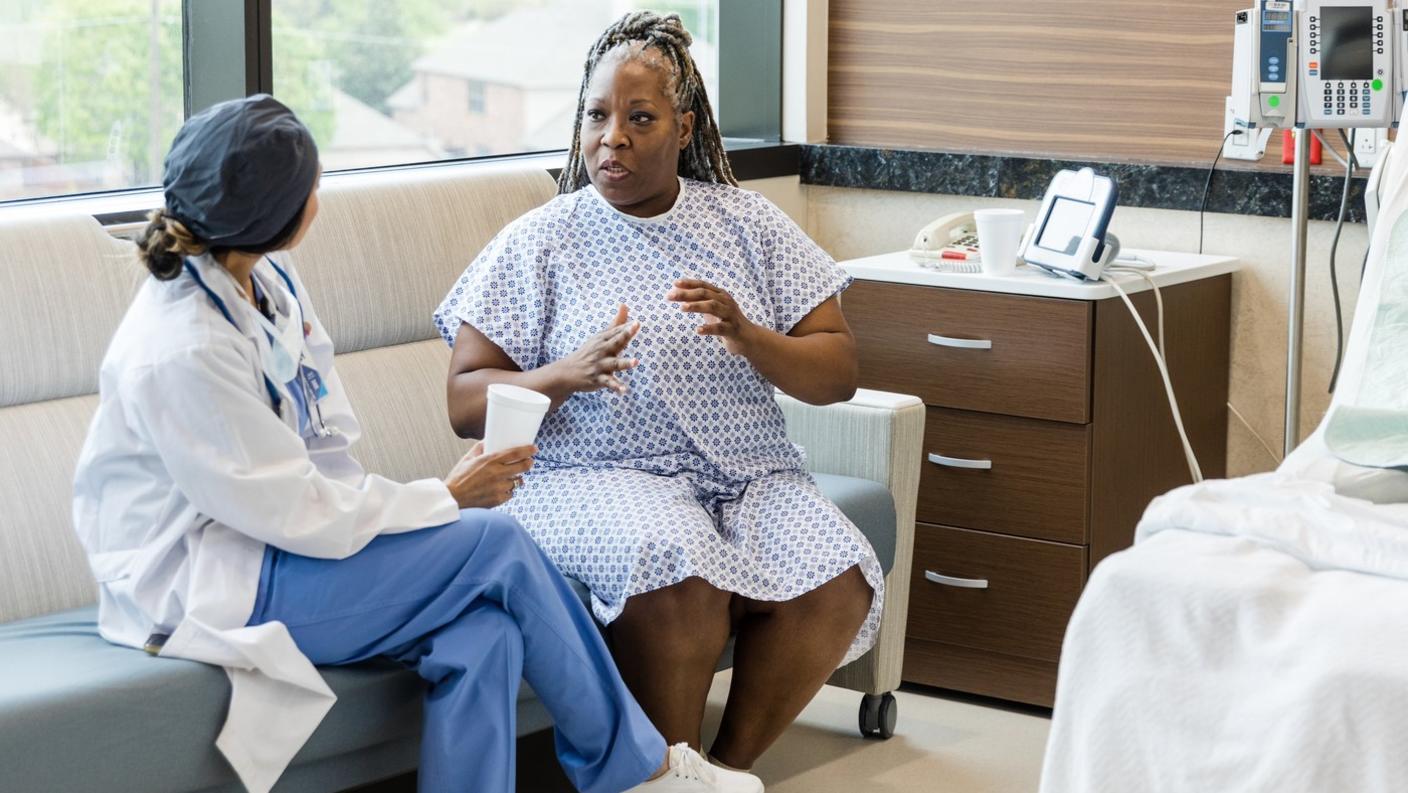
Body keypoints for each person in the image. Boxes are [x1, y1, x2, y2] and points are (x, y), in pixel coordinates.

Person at [72, 94, 761, 793]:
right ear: (279, 216)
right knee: (496, 541)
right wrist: (443, 499)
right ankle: (640, 772)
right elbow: (289, 508)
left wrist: (409, 520)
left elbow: (322, 435)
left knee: (484, 632)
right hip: (212, 579)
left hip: (283, 542)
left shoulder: (267, 280)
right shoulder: (183, 347)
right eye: (312, 184)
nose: (318, 196)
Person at [436, 12, 884, 773]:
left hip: (749, 476)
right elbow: (463, 400)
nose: (612, 138)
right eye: (596, 116)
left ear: (684, 128)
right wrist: (564, 374)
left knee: (837, 575)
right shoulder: (541, 239)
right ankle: (675, 773)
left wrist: (750, 335)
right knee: (676, 568)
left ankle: (720, 773)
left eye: (639, 118)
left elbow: (837, 371)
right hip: (588, 478)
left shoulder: (747, 223)